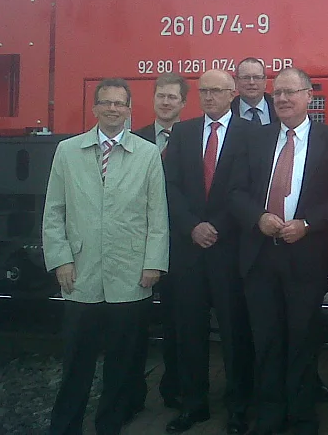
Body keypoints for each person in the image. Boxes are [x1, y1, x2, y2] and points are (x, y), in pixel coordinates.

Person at [42, 78, 169, 435]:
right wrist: (61, 260)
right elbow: (54, 210)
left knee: (122, 362)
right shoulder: (67, 152)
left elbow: (157, 215)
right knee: (76, 361)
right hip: (81, 272)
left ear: (129, 110)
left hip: (130, 275)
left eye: (120, 103)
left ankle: (109, 424)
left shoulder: (146, 154)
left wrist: (153, 263)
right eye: (106, 103)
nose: (113, 109)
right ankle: (65, 426)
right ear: (95, 108)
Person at [229, 67, 328, 435]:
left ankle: (301, 416)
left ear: (308, 96)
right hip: (261, 255)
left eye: (290, 92)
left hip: (305, 256)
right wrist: (257, 218)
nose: (281, 99)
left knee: (302, 340)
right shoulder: (255, 138)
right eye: (277, 92)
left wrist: (308, 223)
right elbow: (236, 192)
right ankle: (269, 416)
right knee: (266, 340)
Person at [164, 70, 254, 435]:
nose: (209, 97)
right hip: (190, 251)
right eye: (204, 91)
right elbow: (169, 186)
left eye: (217, 91)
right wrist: (191, 226)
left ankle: (238, 407)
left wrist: (216, 226)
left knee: (235, 334)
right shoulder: (183, 133)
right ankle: (193, 405)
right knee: (189, 332)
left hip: (229, 250)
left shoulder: (252, 135)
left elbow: (249, 188)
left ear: (232, 93)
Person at [130, 74, 189, 416]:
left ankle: (173, 387)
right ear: (153, 100)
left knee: (176, 322)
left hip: (179, 245)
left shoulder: (193, 139)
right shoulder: (134, 139)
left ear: (183, 103)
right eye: (161, 96)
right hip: (140, 242)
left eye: (172, 97)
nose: (166, 102)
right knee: (135, 323)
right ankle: (132, 392)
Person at [231, 57, 276, 124]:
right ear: (236, 81)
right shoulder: (228, 109)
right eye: (246, 78)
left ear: (265, 81)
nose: (251, 82)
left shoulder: (278, 106)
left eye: (257, 77)